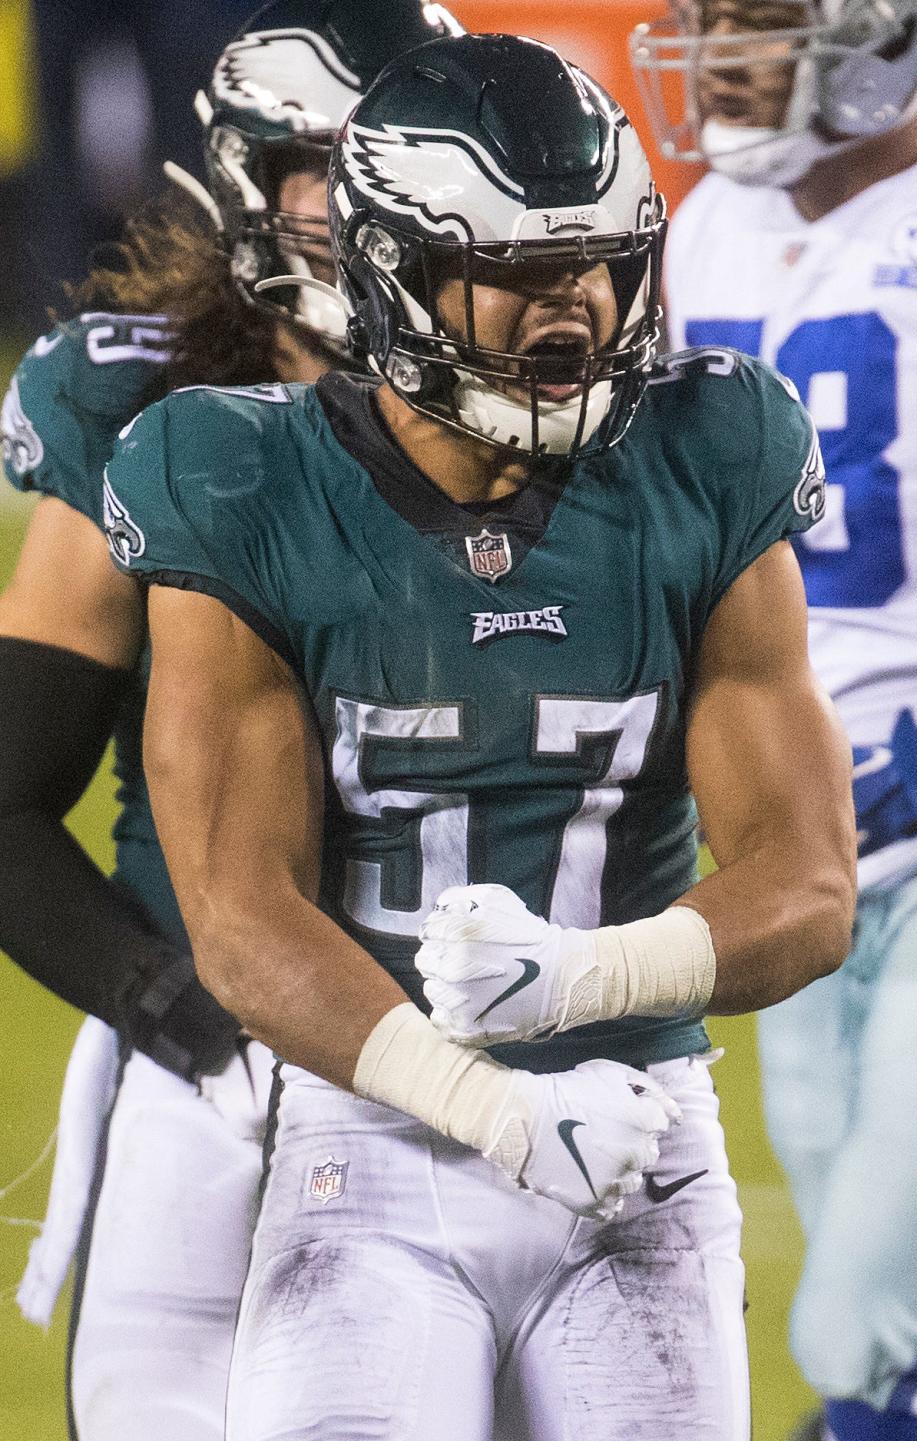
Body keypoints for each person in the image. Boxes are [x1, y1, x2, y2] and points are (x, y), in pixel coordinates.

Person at [104, 30, 855, 1441]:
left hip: (641, 1133)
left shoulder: (710, 448)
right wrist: (493, 1108)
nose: (572, 306)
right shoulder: (236, 471)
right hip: (373, 1139)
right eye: (513, 270)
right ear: (391, 272)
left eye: (597, 263)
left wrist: (585, 975)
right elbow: (241, 916)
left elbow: (810, 883)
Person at [0, 3, 461, 1438]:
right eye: (328, 162)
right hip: (222, 1077)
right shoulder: (130, 397)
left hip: (493, 1074)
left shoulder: (584, 405)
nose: (357, 200)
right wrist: (169, 1004)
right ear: (256, 176)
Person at [631, 2, 917, 1437]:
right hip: (802, 850)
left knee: (868, 1323)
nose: (722, 54)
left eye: (757, 17)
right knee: (872, 1306)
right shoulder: (705, 230)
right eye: (705, 18)